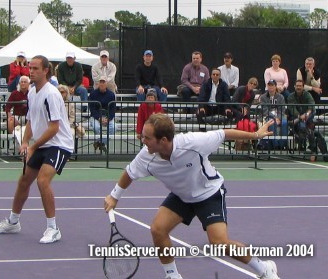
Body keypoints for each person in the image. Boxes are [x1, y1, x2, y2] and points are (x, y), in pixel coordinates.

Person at [104, 113, 280, 279]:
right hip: (182, 196)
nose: (143, 140)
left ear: (163, 140)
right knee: (158, 229)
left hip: (208, 193)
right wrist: (114, 196)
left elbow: (224, 134)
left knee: (218, 243)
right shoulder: (146, 156)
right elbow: (130, 173)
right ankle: (172, 275)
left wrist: (256, 135)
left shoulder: (193, 142)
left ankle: (264, 268)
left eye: (147, 138)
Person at [0, 55, 74, 244]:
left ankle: (53, 229)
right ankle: (13, 222)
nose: (31, 71)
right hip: (41, 143)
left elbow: (54, 127)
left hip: (59, 144)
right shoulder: (32, 92)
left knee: (42, 181)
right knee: (24, 181)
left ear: (45, 71)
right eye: (30, 68)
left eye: (35, 68)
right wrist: (26, 142)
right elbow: (31, 121)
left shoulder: (51, 94)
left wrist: (33, 146)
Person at [88, 76, 117, 153]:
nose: (102, 84)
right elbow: (92, 109)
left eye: (103, 82)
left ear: (106, 83)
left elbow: (113, 109)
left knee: (114, 127)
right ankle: (101, 143)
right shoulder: (93, 94)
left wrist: (109, 118)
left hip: (108, 117)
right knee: (96, 127)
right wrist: (99, 118)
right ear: (98, 83)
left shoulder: (111, 94)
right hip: (96, 117)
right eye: (100, 82)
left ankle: (100, 143)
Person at [287, 80, 316, 153]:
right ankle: (303, 146)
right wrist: (300, 116)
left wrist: (306, 114)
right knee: (301, 125)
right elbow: (291, 108)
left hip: (308, 116)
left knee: (305, 124)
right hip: (296, 117)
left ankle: (309, 147)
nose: (298, 87)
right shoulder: (291, 96)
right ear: (294, 86)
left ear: (303, 87)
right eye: (297, 86)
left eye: (300, 86)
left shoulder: (308, 95)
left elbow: (311, 106)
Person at [259, 79, 288, 150]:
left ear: (275, 87)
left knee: (284, 122)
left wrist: (279, 118)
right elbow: (265, 110)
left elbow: (282, 109)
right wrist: (274, 118)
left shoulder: (281, 97)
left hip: (279, 116)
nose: (270, 87)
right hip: (267, 116)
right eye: (269, 85)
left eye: (272, 85)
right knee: (271, 122)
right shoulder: (263, 97)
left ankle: (283, 144)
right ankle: (275, 144)